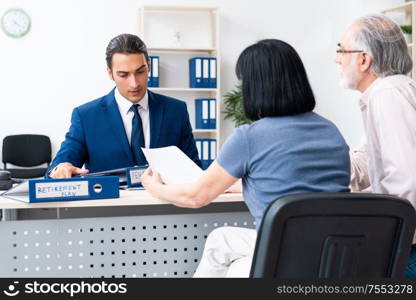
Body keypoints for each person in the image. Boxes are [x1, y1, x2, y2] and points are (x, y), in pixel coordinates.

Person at [142, 39, 351, 277]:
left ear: (256, 87)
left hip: (284, 256)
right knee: (220, 240)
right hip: (332, 255)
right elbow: (302, 187)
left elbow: (196, 196)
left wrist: (155, 188)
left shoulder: (249, 137)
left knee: (235, 268)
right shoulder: (331, 132)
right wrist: (246, 187)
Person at [47, 33, 200, 178]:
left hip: (165, 203)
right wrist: (60, 169)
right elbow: (57, 168)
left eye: (140, 72)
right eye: (123, 75)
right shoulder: (86, 116)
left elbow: (194, 169)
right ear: (110, 73)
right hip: (111, 204)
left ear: (149, 66)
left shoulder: (176, 111)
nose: (134, 83)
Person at [335, 14, 416, 278]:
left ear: (364, 59)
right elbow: (364, 165)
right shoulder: (388, 92)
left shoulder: (388, 95)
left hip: (408, 247)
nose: (337, 59)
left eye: (341, 50)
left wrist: (384, 240)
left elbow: (406, 180)